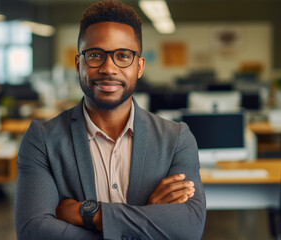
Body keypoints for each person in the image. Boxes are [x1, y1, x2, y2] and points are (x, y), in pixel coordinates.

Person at [15, 1, 206, 239]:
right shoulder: (42, 139)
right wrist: (148, 217)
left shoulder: (176, 138)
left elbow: (189, 228)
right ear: (78, 64)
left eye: (123, 56)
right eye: (95, 55)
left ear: (139, 66)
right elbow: (33, 230)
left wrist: (88, 213)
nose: (109, 68)